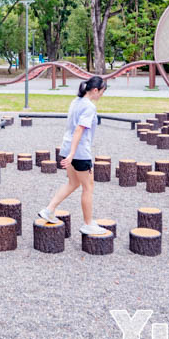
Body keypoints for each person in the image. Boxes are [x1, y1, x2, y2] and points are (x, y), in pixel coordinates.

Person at [37, 76, 112, 236]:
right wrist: (72, 154)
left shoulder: (75, 101)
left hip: (68, 147)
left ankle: (49, 210)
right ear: (95, 90)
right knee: (88, 187)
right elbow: (79, 130)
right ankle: (88, 224)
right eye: (102, 92)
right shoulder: (89, 106)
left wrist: (69, 153)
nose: (102, 95)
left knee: (73, 183)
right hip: (79, 152)